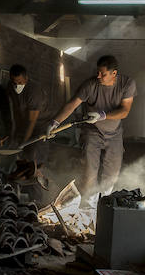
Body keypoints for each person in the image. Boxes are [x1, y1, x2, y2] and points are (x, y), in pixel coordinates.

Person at [48, 55, 136, 212]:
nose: (98, 76)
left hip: (114, 133)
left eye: (103, 74)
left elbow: (125, 111)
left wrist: (102, 115)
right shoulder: (90, 85)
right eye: (98, 72)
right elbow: (72, 104)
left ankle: (105, 206)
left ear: (114, 73)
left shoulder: (127, 84)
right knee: (90, 171)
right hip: (92, 132)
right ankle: (88, 209)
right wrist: (54, 123)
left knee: (112, 173)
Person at [7, 64, 49, 165]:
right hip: (25, 121)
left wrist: (24, 142)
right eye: (14, 82)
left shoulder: (34, 91)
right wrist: (14, 134)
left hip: (40, 124)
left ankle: (37, 172)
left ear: (26, 78)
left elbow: (32, 121)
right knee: (19, 154)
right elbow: (15, 112)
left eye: (20, 82)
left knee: (34, 153)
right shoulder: (10, 86)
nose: (17, 85)